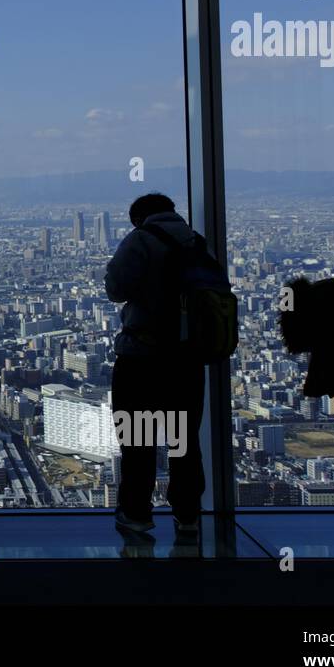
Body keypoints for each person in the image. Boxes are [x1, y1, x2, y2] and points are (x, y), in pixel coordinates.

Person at [103, 193, 206, 535]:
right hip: (187, 359)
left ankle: (137, 512)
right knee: (184, 440)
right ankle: (189, 513)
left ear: (139, 219)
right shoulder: (197, 243)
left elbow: (115, 287)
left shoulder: (141, 240)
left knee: (137, 440)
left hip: (142, 359)